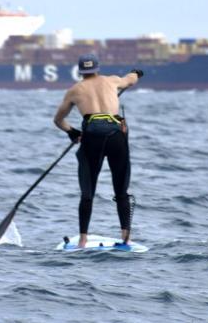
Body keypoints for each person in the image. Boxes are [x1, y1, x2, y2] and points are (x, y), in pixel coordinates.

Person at [53, 53, 143, 248]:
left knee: (88, 192)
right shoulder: (112, 81)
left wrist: (72, 132)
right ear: (97, 68)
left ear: (80, 72)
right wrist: (136, 72)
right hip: (116, 137)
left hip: (92, 138)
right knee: (121, 190)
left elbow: (58, 120)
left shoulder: (74, 91)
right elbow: (131, 80)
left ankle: (82, 241)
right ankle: (126, 237)